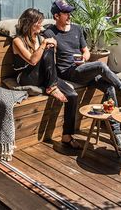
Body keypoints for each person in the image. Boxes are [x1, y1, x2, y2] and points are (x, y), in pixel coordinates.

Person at [44, 0, 121, 152]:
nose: (69, 16)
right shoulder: (49, 32)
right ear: (56, 16)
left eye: (70, 12)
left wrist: (84, 58)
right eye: (66, 13)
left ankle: (116, 133)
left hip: (81, 69)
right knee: (101, 65)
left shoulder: (77, 29)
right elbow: (46, 54)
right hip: (68, 73)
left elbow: (86, 51)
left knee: (109, 88)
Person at [12, 8, 81, 149]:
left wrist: (53, 47)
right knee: (47, 48)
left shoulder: (40, 37)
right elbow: (32, 60)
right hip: (26, 76)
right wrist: (45, 45)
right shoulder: (17, 41)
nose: (41, 26)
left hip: (45, 76)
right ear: (30, 23)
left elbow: (50, 63)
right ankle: (52, 87)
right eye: (39, 23)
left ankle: (67, 136)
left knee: (72, 95)